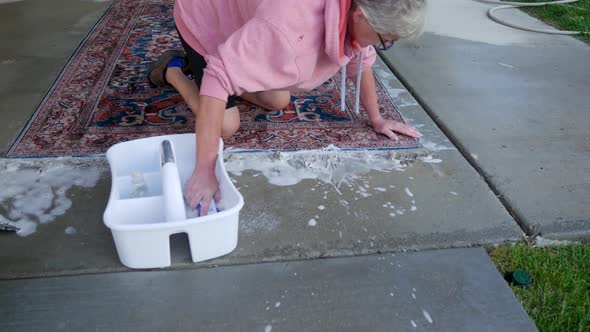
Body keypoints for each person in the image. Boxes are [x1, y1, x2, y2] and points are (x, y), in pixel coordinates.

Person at [148, 0, 427, 215]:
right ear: (360, 16)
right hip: (205, 17)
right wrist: (205, 169)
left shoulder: (358, 9)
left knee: (277, 100)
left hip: (247, 20)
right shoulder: (287, 29)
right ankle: (173, 71)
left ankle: (240, 54)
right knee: (226, 125)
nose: (385, 45)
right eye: (385, 40)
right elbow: (217, 76)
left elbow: (360, 57)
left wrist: (377, 118)